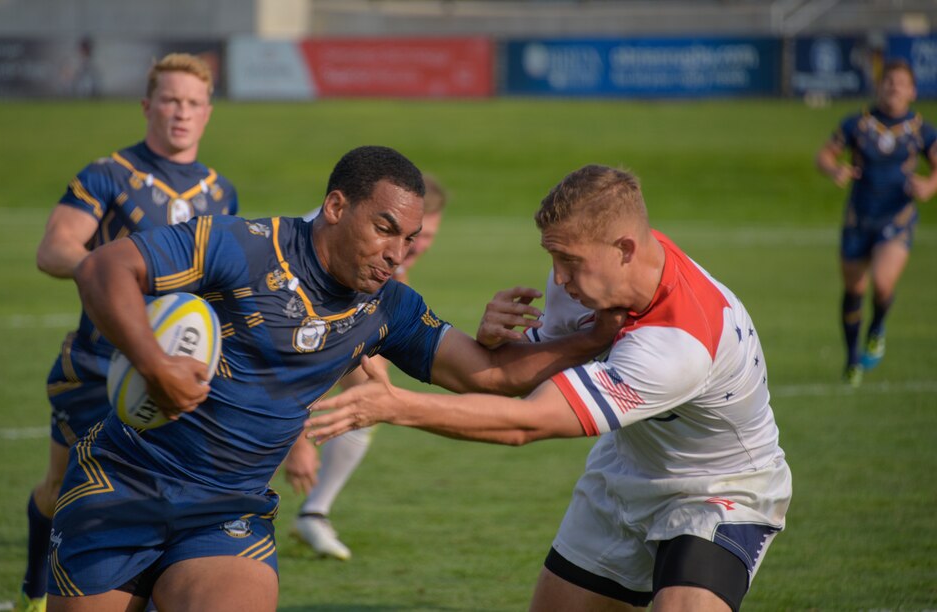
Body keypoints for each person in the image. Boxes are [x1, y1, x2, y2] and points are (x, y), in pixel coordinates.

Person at [46, 146, 621, 611]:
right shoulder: (240, 246)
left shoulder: (389, 308)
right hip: (121, 486)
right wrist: (155, 365)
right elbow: (104, 267)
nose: (397, 253)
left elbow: (492, 374)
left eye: (409, 240)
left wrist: (592, 339)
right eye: (385, 229)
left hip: (226, 512)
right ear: (337, 206)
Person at [309, 165, 792, 612]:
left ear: (624, 249)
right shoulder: (595, 273)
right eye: (553, 257)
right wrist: (493, 344)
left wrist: (394, 405)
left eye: (569, 261)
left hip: (717, 490)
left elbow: (528, 423)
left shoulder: (676, 347)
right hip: (625, 471)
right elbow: (511, 379)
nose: (558, 278)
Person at [14, 52, 238, 612]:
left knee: (160, 497)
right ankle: (35, 589)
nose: (180, 112)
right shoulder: (107, 174)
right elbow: (55, 249)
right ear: (147, 106)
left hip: (180, 369)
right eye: (169, 99)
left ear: (208, 112)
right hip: (98, 367)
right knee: (62, 490)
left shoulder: (220, 192)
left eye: (192, 103)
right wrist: (121, 272)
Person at [284, 174, 448, 561]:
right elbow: (289, 358)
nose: (416, 247)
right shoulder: (328, 250)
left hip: (317, 335)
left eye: (424, 237)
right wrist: (296, 443)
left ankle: (313, 511)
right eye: (414, 235)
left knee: (371, 394)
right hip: (270, 348)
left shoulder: (388, 248)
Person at [815, 58, 937, 387]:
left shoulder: (921, 130)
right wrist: (835, 169)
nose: (893, 87)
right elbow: (824, 155)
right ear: (879, 86)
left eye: (900, 82)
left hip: (897, 219)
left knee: (882, 284)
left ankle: (878, 326)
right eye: (888, 81)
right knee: (854, 289)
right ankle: (852, 357)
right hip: (858, 217)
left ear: (912, 90)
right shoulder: (858, 123)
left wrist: (928, 185)